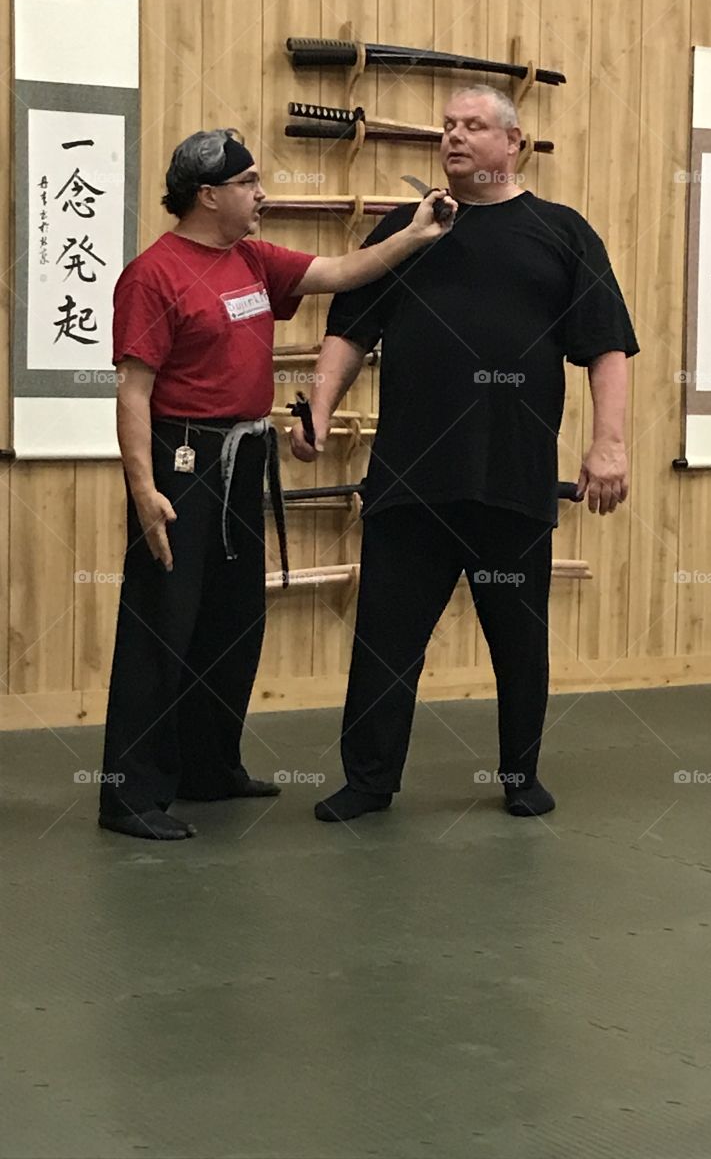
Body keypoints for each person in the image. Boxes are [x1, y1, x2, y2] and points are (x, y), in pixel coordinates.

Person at [292, 86, 638, 824]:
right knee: (386, 637)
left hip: (512, 477)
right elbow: (350, 329)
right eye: (447, 126)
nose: (453, 137)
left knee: (518, 637)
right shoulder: (406, 230)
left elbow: (607, 346)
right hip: (412, 475)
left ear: (513, 143)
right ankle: (369, 781)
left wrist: (609, 443)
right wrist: (319, 405)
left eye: (472, 126)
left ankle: (520, 775)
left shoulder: (562, 234)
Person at [98, 128, 454, 841]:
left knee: (232, 622)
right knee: (163, 622)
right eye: (250, 182)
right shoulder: (154, 274)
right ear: (209, 194)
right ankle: (130, 796)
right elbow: (133, 391)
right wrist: (144, 489)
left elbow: (346, 271)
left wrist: (415, 235)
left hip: (243, 455)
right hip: (183, 459)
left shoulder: (254, 260)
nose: (263, 193)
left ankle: (208, 767)